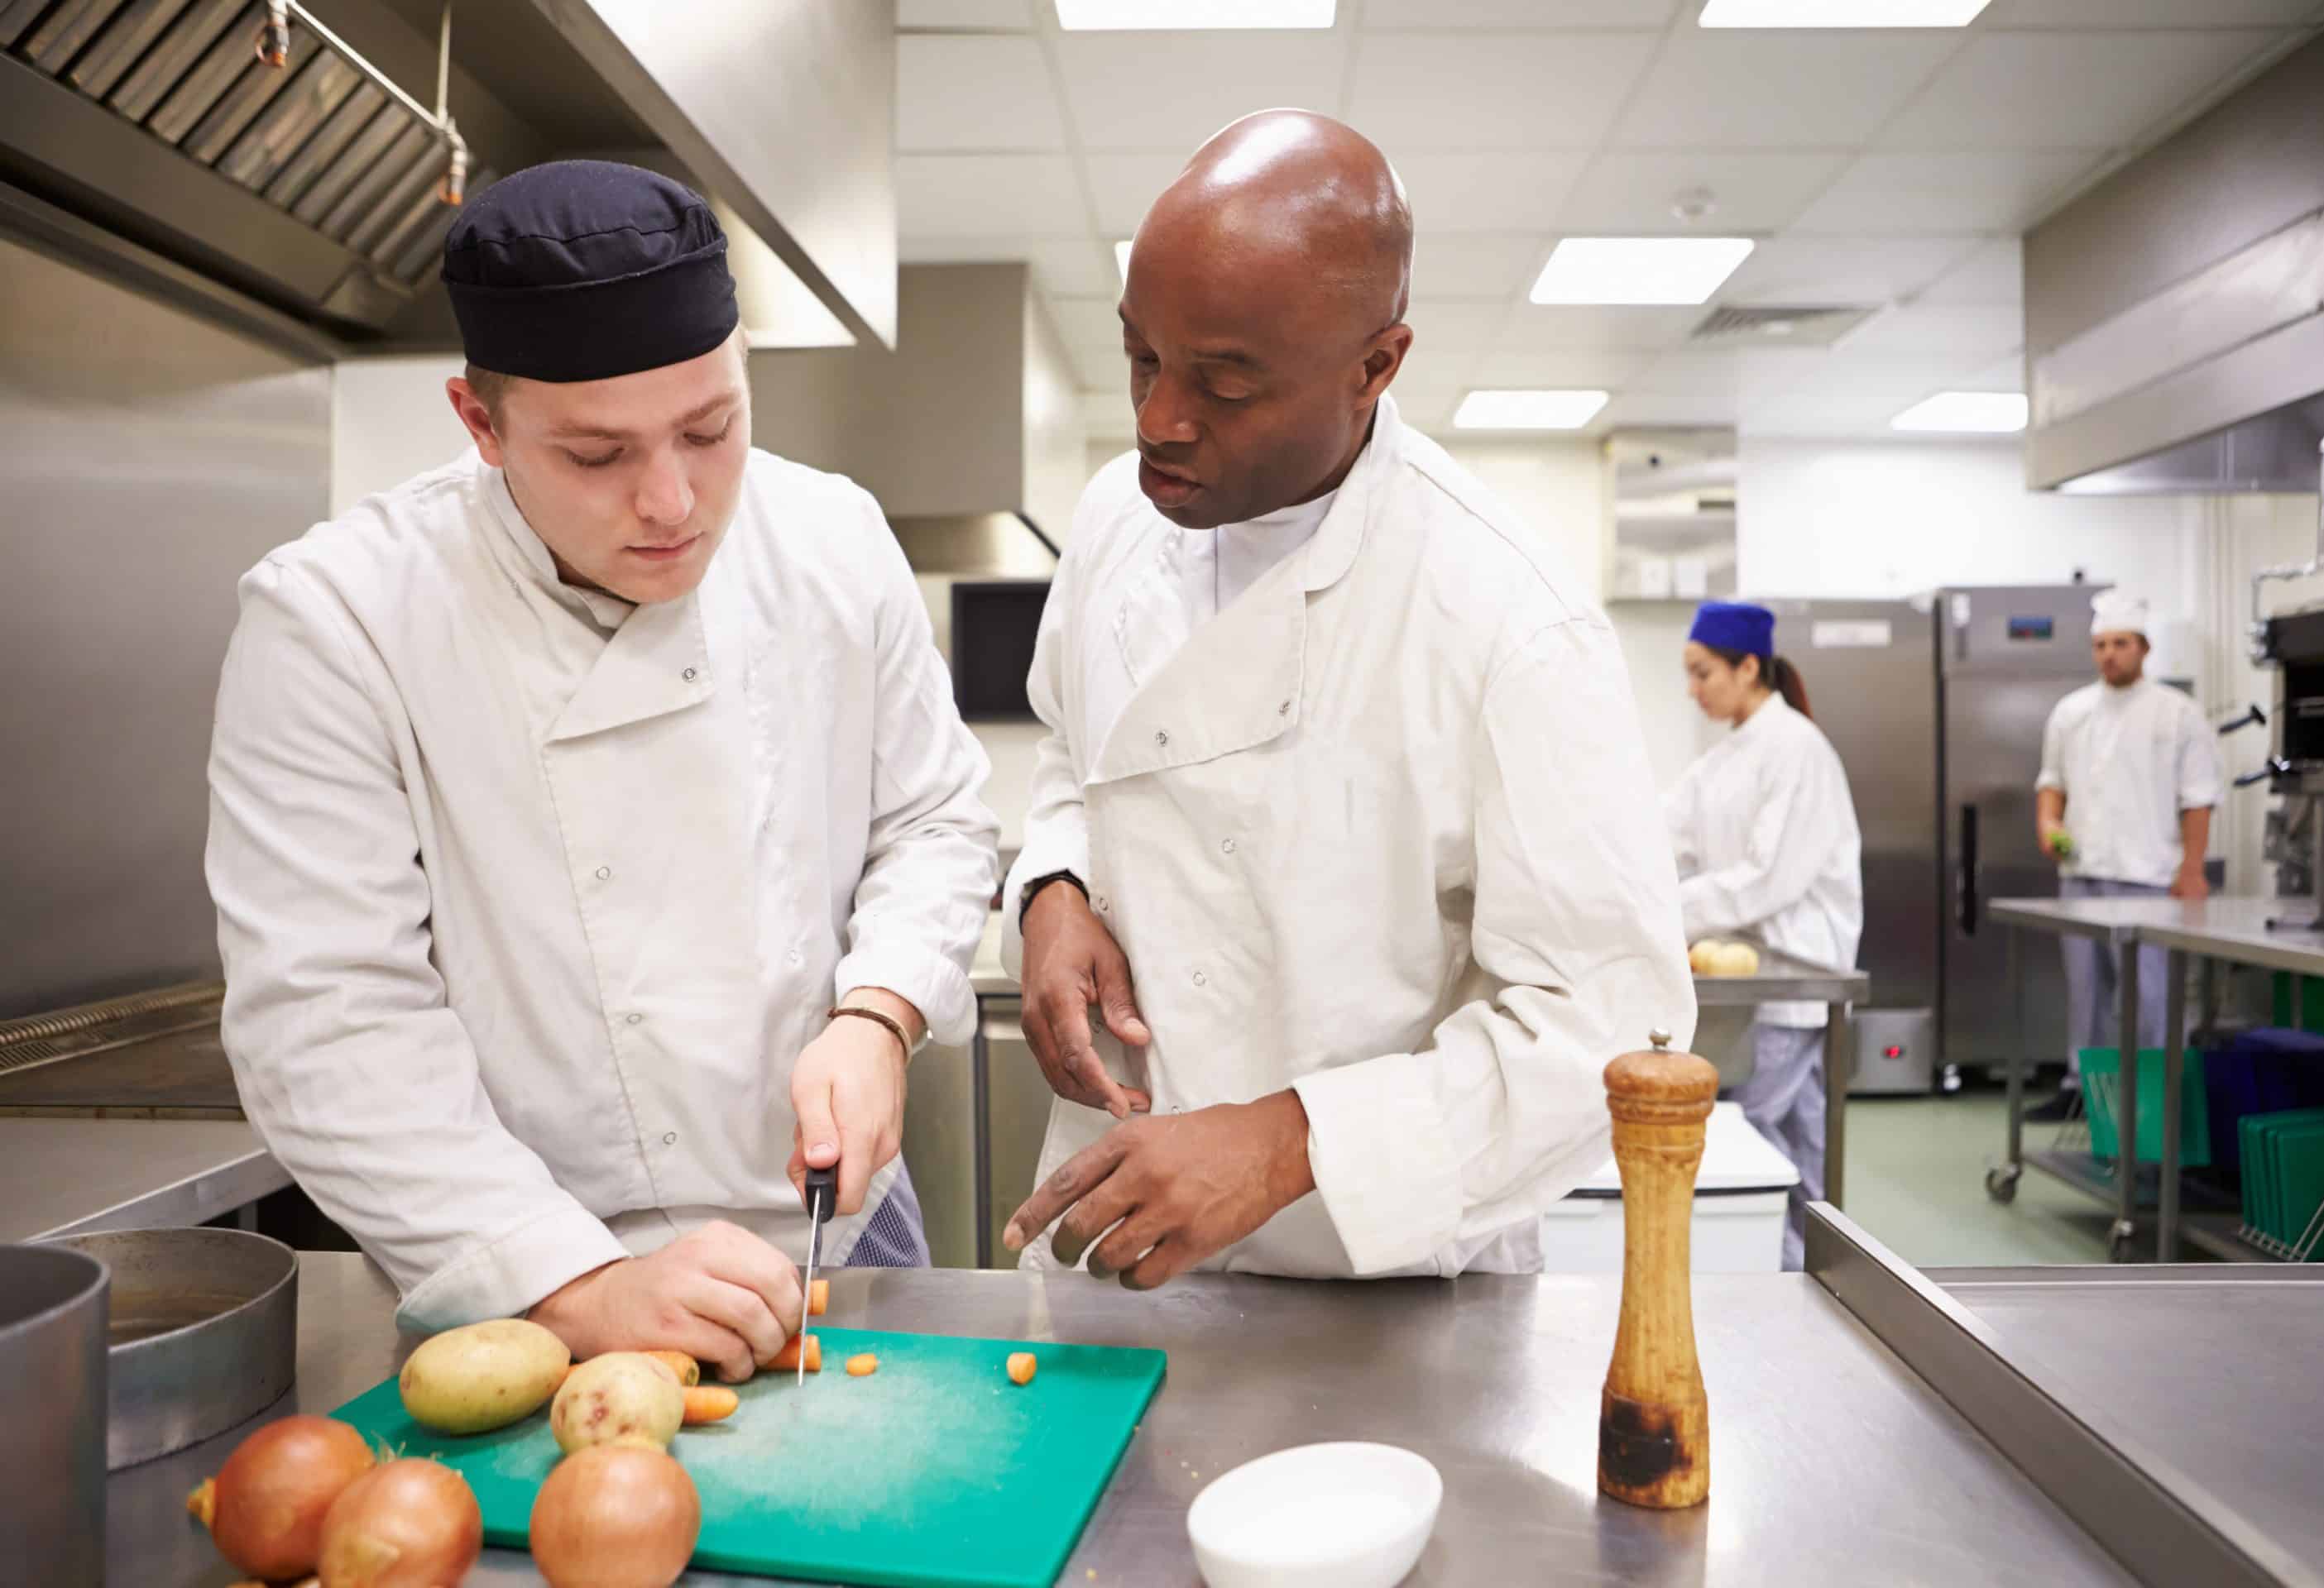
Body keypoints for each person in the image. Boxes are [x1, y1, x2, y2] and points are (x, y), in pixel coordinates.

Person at [206, 162, 998, 1375]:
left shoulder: (831, 541)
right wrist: (574, 1283)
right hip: (531, 1261)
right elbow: (328, 1016)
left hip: (843, 1229)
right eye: (595, 456)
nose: (673, 502)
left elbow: (936, 819)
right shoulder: (339, 618)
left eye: (710, 428)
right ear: (481, 426)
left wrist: (878, 1012)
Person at [996, 111, 1694, 1289]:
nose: (1160, 418)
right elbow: (1073, 749)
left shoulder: (1507, 617)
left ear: (1375, 367)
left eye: (1224, 383)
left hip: (1385, 1284)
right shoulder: (1120, 517)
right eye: (1141, 357)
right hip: (1111, 1247)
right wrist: (1055, 891)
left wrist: (1288, 1141)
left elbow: (1609, 1029)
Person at [1665, 601, 1862, 1270]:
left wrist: (1664, 908)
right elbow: (1667, 834)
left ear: (1749, 667)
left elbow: (1765, 878)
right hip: (1756, 972)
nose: (1694, 691)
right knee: (1798, 1137)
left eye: (1703, 674)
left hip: (1796, 966)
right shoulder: (1726, 756)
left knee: (1751, 1132)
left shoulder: (1796, 748)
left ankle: (1777, 1274)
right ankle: (1811, 1270)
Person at [2027, 589, 2221, 1122]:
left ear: (2144, 647)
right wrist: (2048, 822)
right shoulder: (2072, 712)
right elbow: (2052, 782)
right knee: (2086, 995)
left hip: (2150, 881)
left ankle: (2156, 1097)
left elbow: (2199, 797)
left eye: (2121, 643)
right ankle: (2081, 1091)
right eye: (2101, 645)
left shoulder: (2178, 715)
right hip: (2082, 876)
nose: (2109, 654)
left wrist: (2192, 870)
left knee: (2152, 999)